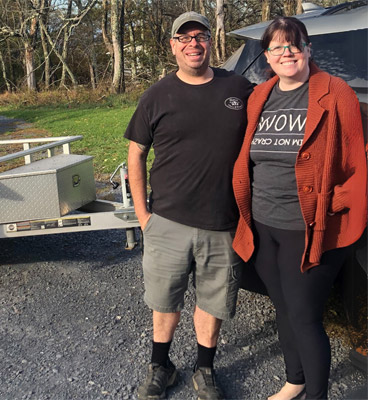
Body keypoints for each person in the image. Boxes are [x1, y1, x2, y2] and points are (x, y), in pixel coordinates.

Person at [232, 16, 367, 400]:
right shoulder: (260, 96)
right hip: (262, 222)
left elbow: (358, 162)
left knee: (305, 316)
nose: (286, 52)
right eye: (277, 47)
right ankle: (295, 380)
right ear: (267, 57)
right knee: (283, 308)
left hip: (305, 228)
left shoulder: (334, 91)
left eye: (294, 45)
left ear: (309, 50)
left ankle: (316, 395)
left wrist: (336, 204)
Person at [124, 11, 253, 400]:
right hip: (167, 220)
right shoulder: (157, 95)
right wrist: (143, 216)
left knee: (213, 303)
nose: (193, 43)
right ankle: (160, 367)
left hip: (222, 221)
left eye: (200, 36)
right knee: (164, 303)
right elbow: (135, 154)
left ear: (210, 42)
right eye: (185, 38)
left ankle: (204, 370)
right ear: (173, 46)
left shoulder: (239, 88)